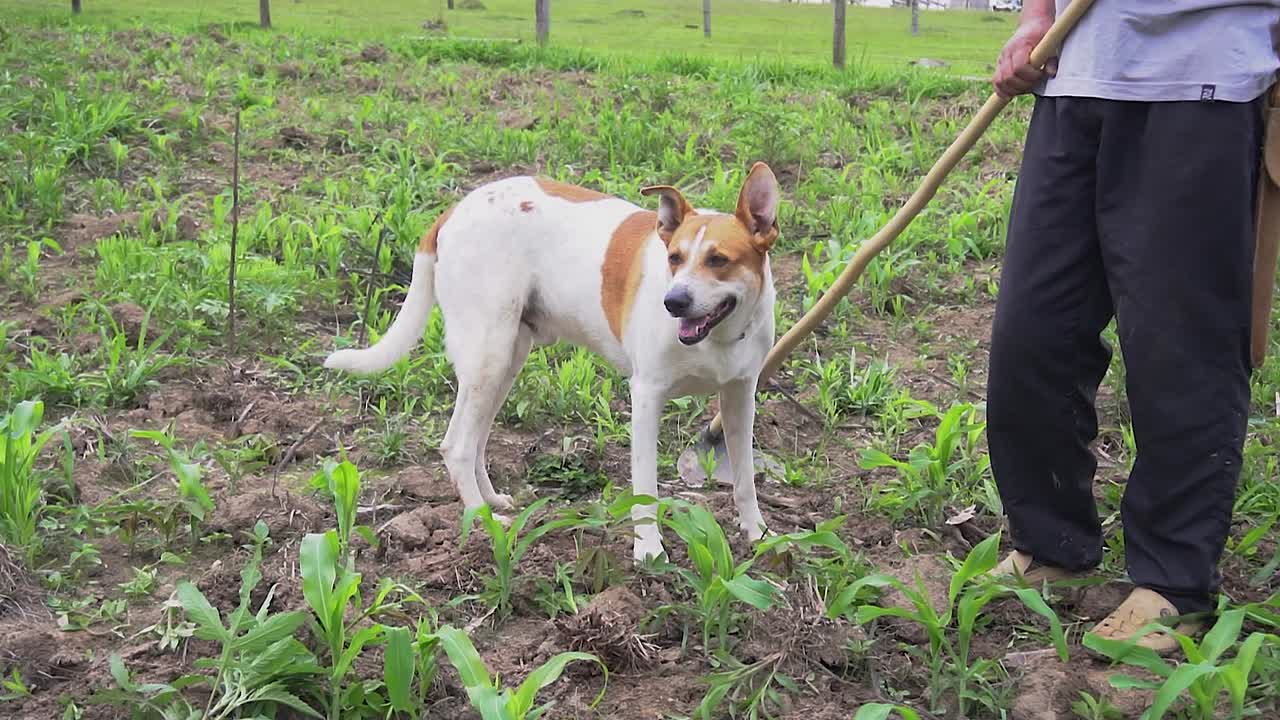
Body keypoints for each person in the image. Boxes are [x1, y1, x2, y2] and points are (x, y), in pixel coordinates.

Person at [986, 0, 1280, 655]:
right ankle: (1051, 539)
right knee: (1034, 334)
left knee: (1180, 347)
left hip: (1201, 80)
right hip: (1073, 78)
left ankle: (1174, 580)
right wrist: (1037, 17)